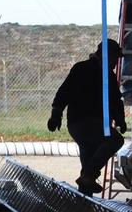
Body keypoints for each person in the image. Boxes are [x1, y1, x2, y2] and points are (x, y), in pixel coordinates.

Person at [48, 39, 126, 195]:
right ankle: (88, 176)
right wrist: (120, 119)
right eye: (114, 59)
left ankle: (85, 199)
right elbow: (115, 100)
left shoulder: (82, 68)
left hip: (78, 125)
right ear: (106, 55)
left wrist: (56, 114)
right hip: (88, 124)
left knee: (88, 157)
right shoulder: (98, 72)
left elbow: (64, 92)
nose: (116, 63)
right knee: (116, 140)